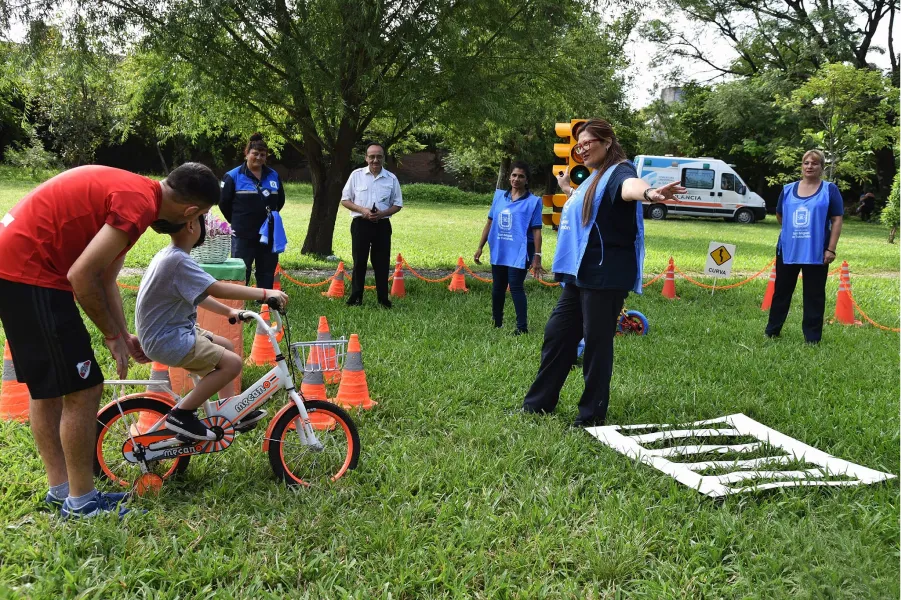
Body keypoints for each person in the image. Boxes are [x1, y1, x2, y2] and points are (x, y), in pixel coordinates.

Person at [0, 163, 220, 518]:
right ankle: (82, 502)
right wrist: (111, 337)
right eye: (201, 216)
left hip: (16, 265)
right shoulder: (138, 205)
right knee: (84, 389)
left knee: (49, 389)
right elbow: (82, 276)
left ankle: (62, 491)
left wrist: (124, 334)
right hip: (32, 272)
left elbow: (105, 280)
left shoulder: (140, 194)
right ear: (191, 212)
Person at [521, 119, 685, 427]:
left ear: (607, 142)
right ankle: (538, 404)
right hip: (580, 274)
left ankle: (591, 416)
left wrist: (651, 194)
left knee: (596, 345)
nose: (581, 150)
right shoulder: (593, 178)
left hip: (605, 274)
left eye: (587, 144)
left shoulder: (620, 172)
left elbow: (630, 188)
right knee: (557, 336)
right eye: (578, 145)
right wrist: (567, 188)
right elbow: (585, 205)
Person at [136, 216, 289, 440]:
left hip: (170, 333)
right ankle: (182, 413)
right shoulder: (178, 261)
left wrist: (228, 312)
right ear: (191, 226)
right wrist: (265, 293)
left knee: (227, 345)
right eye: (202, 222)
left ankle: (227, 412)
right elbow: (217, 288)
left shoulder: (171, 256)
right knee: (232, 364)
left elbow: (198, 293)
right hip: (169, 339)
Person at [765, 149, 843, 344]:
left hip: (817, 253)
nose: (809, 166)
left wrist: (831, 248)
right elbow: (780, 215)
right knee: (781, 292)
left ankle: (812, 338)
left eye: (814, 163)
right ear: (802, 166)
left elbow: (837, 219)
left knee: (814, 296)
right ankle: (772, 331)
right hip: (788, 251)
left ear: (821, 167)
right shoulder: (788, 189)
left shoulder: (829, 190)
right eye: (806, 163)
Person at [473, 161, 544, 334]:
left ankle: (522, 328)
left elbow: (537, 232)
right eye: (514, 175)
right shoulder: (499, 197)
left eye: (521, 176)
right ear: (509, 177)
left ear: (527, 180)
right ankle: (497, 322)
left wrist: (537, 256)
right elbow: (489, 222)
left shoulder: (533, 202)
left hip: (520, 251)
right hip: (500, 248)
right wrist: (480, 247)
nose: (516, 179)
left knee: (515, 286)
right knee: (498, 286)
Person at [340, 143, 403, 308]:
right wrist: (363, 210)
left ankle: (383, 299)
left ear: (383, 158)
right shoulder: (356, 175)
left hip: (382, 225)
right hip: (361, 224)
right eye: (372, 156)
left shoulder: (391, 178)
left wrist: (382, 213)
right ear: (366, 158)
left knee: (381, 263)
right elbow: (345, 200)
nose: (375, 160)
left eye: (379, 156)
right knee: (359, 262)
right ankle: (356, 298)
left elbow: (397, 204)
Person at [220, 133, 286, 289]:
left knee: (267, 270)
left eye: (262, 155)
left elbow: (280, 201)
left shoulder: (273, 175)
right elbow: (224, 203)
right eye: (255, 154)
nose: (259, 158)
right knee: (242, 269)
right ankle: (239, 303)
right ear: (246, 153)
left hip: (268, 232)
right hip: (243, 233)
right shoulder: (232, 176)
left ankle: (265, 302)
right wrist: (238, 221)